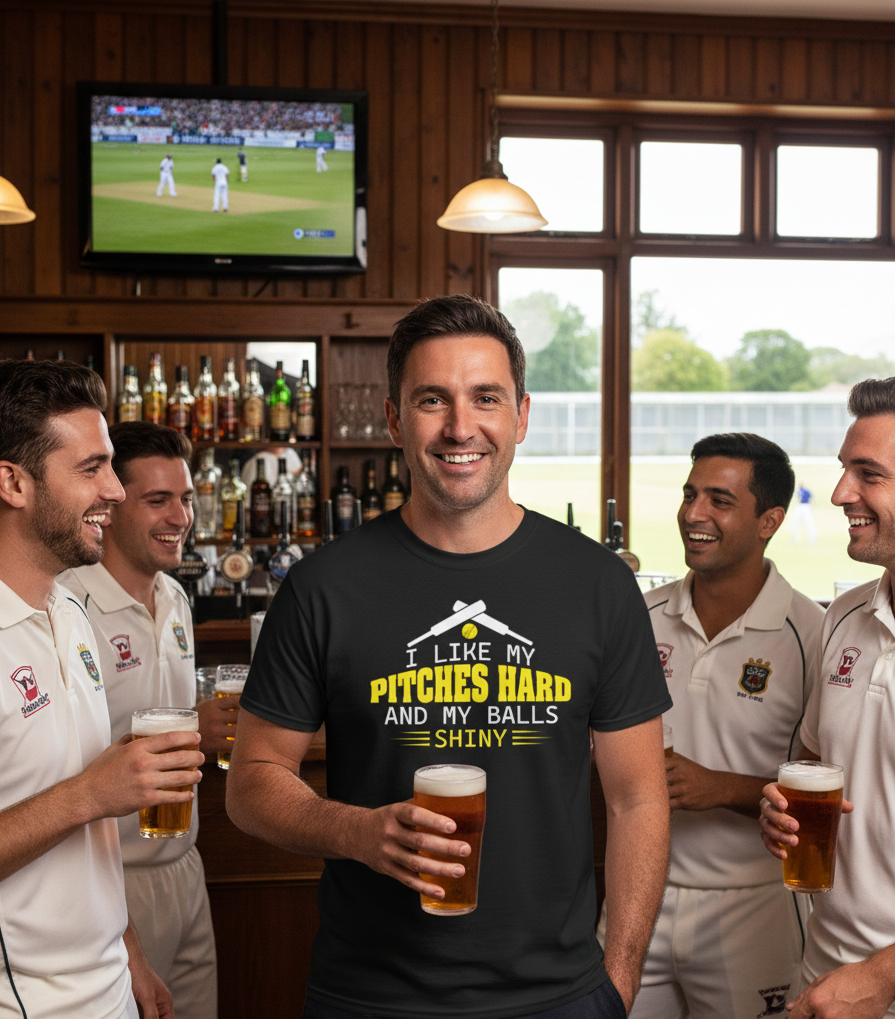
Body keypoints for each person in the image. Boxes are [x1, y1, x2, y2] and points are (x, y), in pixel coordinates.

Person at [226, 294, 672, 1019]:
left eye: (485, 398)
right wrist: (357, 832)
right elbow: (250, 783)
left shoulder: (597, 583)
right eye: (432, 399)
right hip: (367, 995)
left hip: (557, 996)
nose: (460, 427)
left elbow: (637, 797)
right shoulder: (322, 588)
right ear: (395, 418)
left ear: (520, 415)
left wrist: (617, 979)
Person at [0, 358, 204, 1019]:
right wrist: (91, 793)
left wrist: (129, 951)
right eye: (91, 468)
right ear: (13, 481)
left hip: (110, 984)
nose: (114, 490)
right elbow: (86, 800)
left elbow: (92, 838)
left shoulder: (71, 614)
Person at [599, 433, 823, 1019]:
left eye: (720, 500)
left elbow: (830, 793)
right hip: (635, 894)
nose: (694, 514)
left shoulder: (814, 633)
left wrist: (723, 788)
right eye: (690, 494)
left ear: (770, 520)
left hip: (755, 908)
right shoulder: (638, 616)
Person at [61, 422, 234, 1019]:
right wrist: (194, 729)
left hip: (184, 864)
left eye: (184, 499)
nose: (180, 517)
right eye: (157, 500)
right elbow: (59, 760)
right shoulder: (67, 605)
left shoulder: (177, 598)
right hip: (115, 879)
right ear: (110, 505)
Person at [760, 377, 895, 1019]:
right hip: (824, 969)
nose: (842, 493)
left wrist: (883, 979)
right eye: (845, 470)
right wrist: (779, 809)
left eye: (869, 474)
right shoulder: (843, 616)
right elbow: (819, 763)